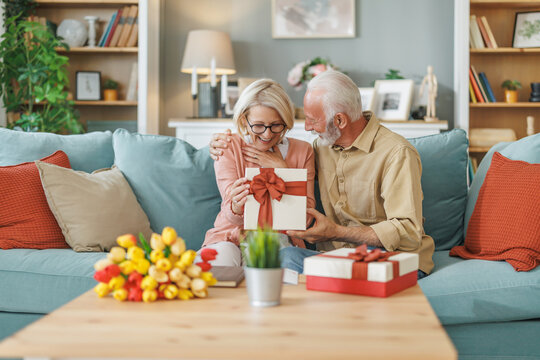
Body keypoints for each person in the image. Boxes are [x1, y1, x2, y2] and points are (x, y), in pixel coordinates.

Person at [210, 71, 434, 278]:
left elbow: (408, 230)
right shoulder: (322, 147)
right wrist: (217, 143)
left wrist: (336, 232)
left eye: (312, 119)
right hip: (336, 258)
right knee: (285, 258)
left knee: (292, 265)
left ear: (339, 121)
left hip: (389, 257)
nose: (306, 127)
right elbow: (293, 184)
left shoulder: (396, 153)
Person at [201, 78, 316, 266]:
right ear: (243, 120)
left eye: (276, 125)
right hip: (229, 237)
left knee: (274, 263)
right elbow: (230, 214)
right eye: (259, 126)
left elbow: (305, 218)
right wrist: (236, 207)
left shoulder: (303, 151)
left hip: (281, 241)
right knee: (219, 266)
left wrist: (282, 170)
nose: (267, 134)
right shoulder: (228, 146)